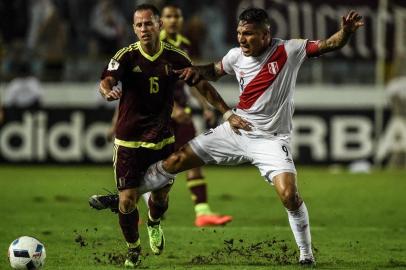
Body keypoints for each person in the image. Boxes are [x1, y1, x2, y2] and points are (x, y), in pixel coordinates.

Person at [94, 7, 363, 265]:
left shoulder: (289, 50)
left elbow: (329, 44)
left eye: (248, 34)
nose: (242, 39)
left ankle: (306, 255)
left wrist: (347, 33)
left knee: (289, 195)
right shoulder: (236, 55)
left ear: (265, 34)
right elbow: (213, 71)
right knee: (176, 161)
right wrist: (195, 71)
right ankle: (124, 198)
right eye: (239, 33)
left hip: (271, 139)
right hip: (236, 128)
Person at [93, 4, 250, 268]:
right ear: (134, 28)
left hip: (163, 139)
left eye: (149, 23)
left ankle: (154, 223)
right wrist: (107, 91)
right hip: (129, 142)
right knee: (127, 200)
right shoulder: (126, 56)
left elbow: (202, 84)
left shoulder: (175, 57)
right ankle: (133, 250)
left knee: (161, 199)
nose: (144, 29)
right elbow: (106, 80)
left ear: (159, 26)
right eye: (139, 25)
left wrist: (225, 112)